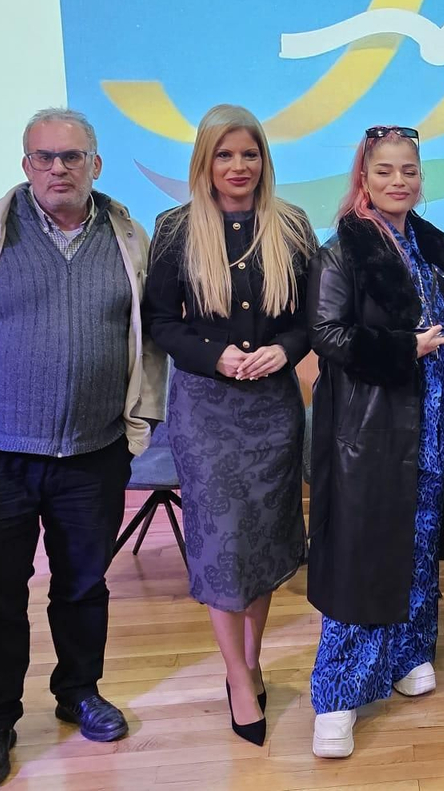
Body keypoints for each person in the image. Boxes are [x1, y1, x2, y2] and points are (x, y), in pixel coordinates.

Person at [0, 107, 165, 789]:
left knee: (84, 587)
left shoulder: (129, 235)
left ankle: (79, 691)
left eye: (72, 157)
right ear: (26, 165)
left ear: (95, 164)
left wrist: (136, 429)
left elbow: (150, 342)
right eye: (45, 157)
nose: (59, 168)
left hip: (93, 454)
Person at [141, 104, 316, 747]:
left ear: (264, 160)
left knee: (265, 540)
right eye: (224, 155)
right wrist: (213, 355)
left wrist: (287, 349)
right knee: (221, 544)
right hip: (206, 410)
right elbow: (160, 321)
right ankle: (238, 676)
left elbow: (309, 317)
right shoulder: (176, 228)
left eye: (249, 154)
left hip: (273, 408)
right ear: (204, 161)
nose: (238, 167)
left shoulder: (292, 226)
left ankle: (254, 655)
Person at [305, 125, 444, 758]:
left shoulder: (433, 245)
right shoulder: (342, 251)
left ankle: (408, 653)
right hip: (370, 428)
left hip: (432, 420)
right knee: (363, 553)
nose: (398, 181)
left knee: (419, 544)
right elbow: (328, 334)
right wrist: (407, 346)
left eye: (409, 170)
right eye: (384, 171)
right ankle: (339, 695)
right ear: (363, 177)